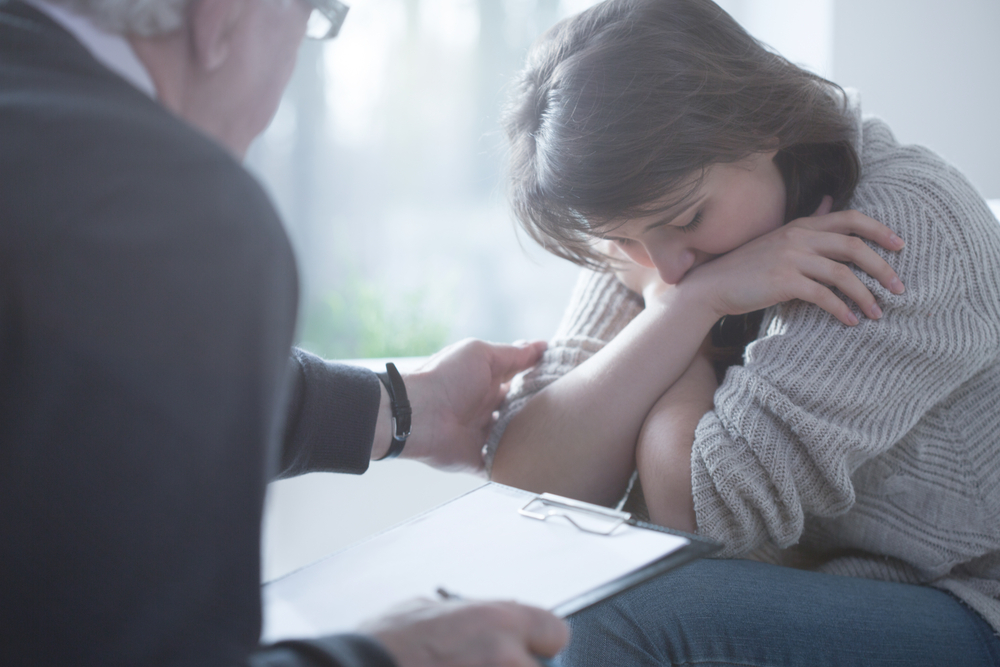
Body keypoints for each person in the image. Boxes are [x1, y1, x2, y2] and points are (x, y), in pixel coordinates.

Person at [0, 0, 569, 665]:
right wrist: (393, 655)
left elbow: (88, 379)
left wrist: (406, 408)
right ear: (223, 17)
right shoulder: (173, 210)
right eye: (311, 19)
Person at [487, 0, 1000, 664]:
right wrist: (691, 304)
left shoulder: (900, 230)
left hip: (967, 601)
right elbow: (526, 486)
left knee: (607, 614)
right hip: (805, 585)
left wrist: (680, 314)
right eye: (624, 242)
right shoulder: (654, 225)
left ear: (763, 124)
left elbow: (695, 514)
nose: (663, 264)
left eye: (691, 217)